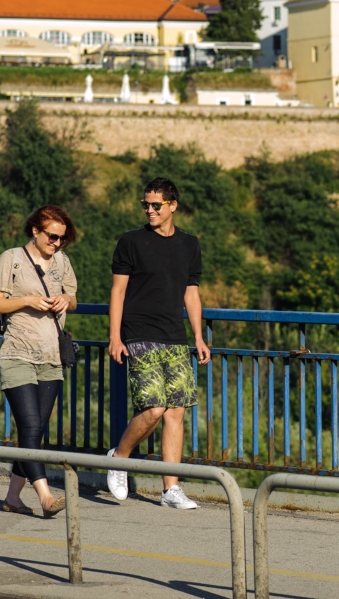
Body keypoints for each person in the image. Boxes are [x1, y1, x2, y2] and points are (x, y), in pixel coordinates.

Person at [105, 177, 210, 508]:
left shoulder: (189, 244)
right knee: (153, 408)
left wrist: (198, 336)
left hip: (175, 336)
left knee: (175, 412)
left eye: (156, 205)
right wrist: (114, 336)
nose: (149, 210)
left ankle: (170, 489)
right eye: (145, 205)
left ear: (172, 206)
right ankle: (119, 458)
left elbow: (191, 294)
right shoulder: (131, 241)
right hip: (139, 333)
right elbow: (118, 291)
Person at [0, 205, 78, 518]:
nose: (56, 243)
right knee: (30, 425)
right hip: (18, 353)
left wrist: (65, 300)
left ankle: (13, 497)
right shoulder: (11, 259)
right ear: (35, 231)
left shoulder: (62, 261)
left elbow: (73, 300)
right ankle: (45, 496)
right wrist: (27, 300)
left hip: (51, 355)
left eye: (62, 238)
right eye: (52, 236)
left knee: (34, 432)